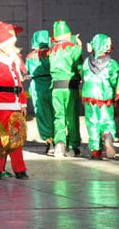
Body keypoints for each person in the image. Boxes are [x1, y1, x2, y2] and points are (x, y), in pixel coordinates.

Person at [0, 21, 29, 180]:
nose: (14, 44)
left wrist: (23, 103)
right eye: (10, 42)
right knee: (0, 138)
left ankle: (20, 169)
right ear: (1, 45)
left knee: (16, 137)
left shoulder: (14, 61)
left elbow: (19, 84)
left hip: (15, 105)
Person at [48, 20, 83, 158]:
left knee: (58, 117)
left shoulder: (51, 51)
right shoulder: (74, 49)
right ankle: (74, 147)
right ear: (67, 34)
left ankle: (59, 143)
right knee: (72, 117)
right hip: (70, 88)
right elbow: (79, 67)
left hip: (56, 88)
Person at [81, 34, 118, 159]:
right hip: (105, 98)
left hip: (89, 98)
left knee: (92, 123)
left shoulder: (87, 62)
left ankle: (95, 152)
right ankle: (108, 136)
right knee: (107, 121)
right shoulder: (112, 64)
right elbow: (115, 81)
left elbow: (82, 73)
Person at [25, 30, 55, 155]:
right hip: (53, 85)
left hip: (37, 87)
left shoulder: (30, 57)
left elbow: (25, 72)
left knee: (43, 115)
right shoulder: (53, 53)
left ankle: (49, 143)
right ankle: (62, 141)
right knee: (57, 114)